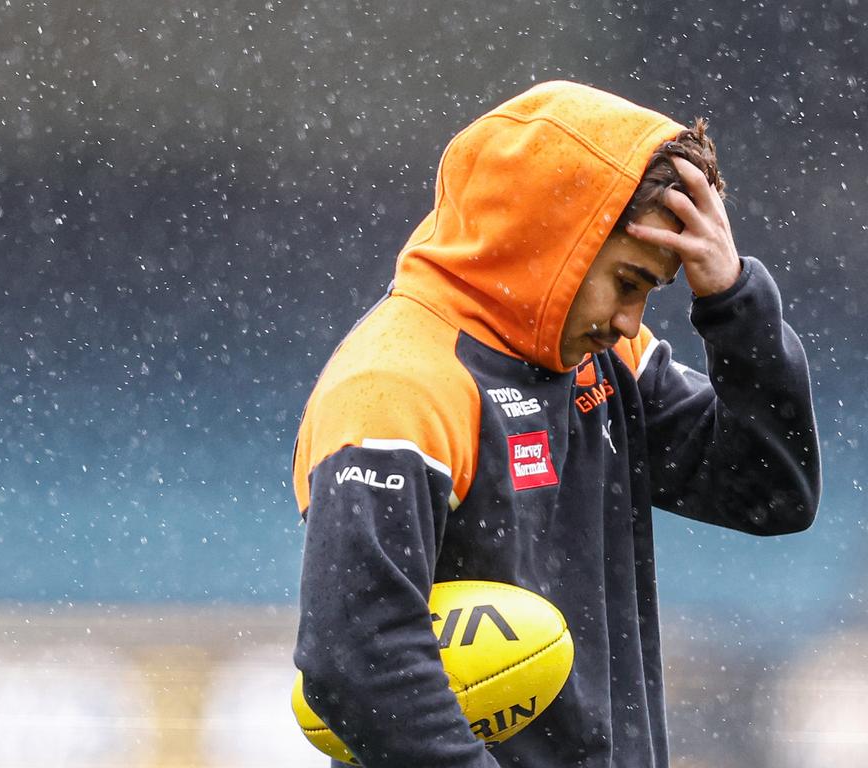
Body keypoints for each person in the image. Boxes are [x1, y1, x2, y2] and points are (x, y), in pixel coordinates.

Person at [290, 80, 821, 768]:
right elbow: (354, 655)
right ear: (558, 243)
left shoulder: (607, 361)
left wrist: (733, 299)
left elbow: (769, 491)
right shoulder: (395, 385)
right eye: (627, 283)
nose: (633, 319)